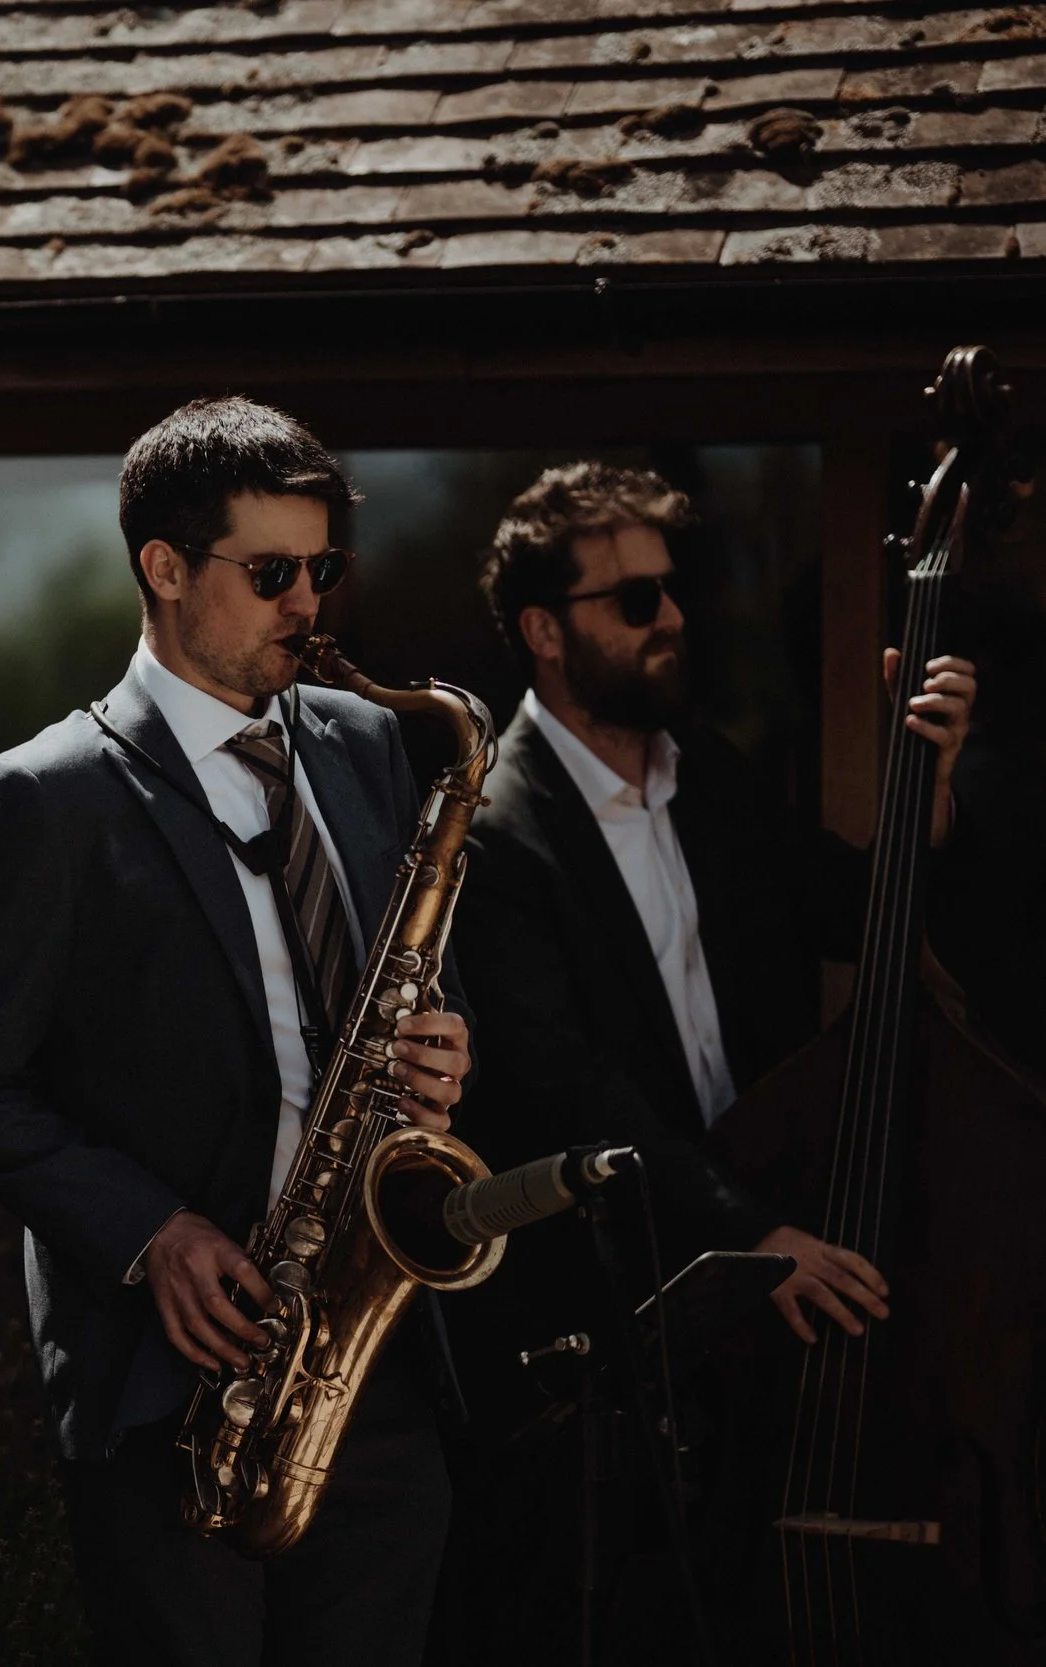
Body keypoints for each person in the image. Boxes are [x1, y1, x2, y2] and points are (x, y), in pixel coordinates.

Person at [0, 397, 473, 1667]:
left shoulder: (367, 740)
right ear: (163, 568)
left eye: (322, 570)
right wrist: (151, 1231)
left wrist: (441, 1041)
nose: (307, 606)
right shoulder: (48, 794)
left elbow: (405, 967)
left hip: (364, 1356)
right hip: (180, 1383)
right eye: (269, 573)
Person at [432, 461, 975, 1660]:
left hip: (758, 1299)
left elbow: (854, 914)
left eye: (672, 590)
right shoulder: (496, 830)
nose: (670, 617)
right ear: (543, 630)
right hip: (612, 1326)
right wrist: (745, 1231)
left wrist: (924, 788)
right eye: (632, 600)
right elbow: (569, 1082)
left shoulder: (708, 776)